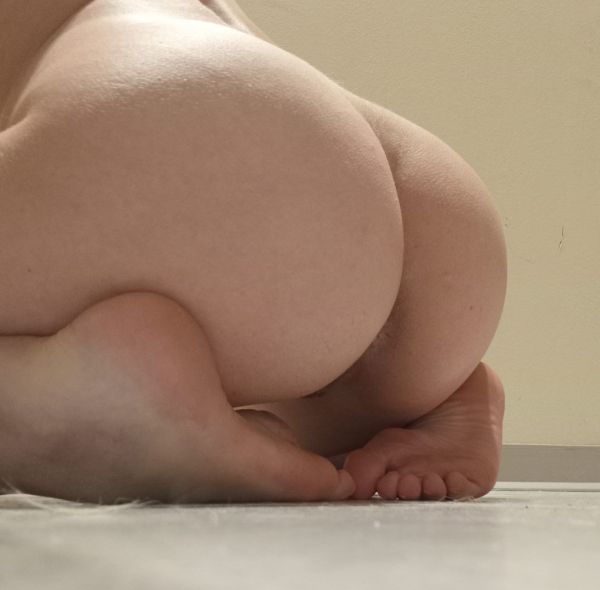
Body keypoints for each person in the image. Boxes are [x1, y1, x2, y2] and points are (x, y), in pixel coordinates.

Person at [0, 0, 507, 504]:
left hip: (165, 120)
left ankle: (64, 397)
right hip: (428, 209)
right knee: (295, 355)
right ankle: (441, 395)